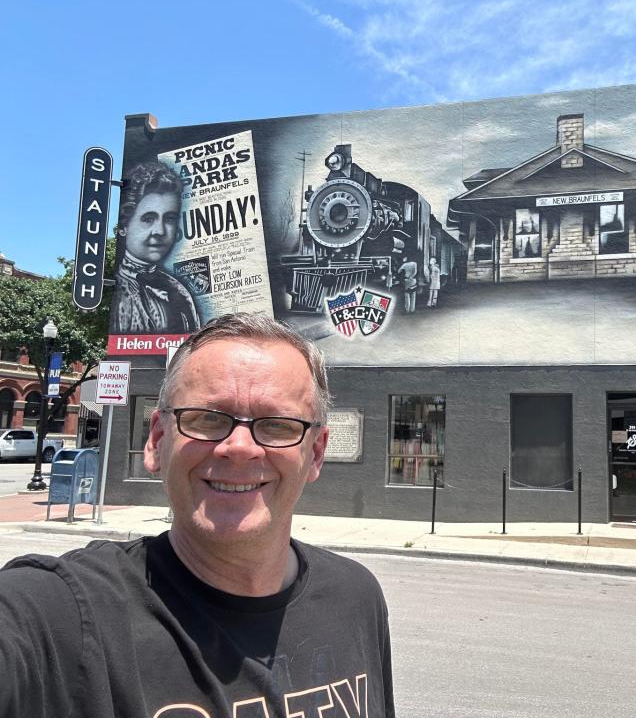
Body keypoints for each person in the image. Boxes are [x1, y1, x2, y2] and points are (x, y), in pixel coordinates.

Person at [0, 313, 395, 717]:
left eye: (277, 425)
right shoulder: (60, 615)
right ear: (156, 440)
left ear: (315, 453)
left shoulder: (358, 598)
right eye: (207, 418)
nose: (239, 447)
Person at [111, 162, 201, 334]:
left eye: (169, 219)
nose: (160, 231)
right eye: (148, 219)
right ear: (124, 225)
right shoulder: (115, 293)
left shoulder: (179, 291)